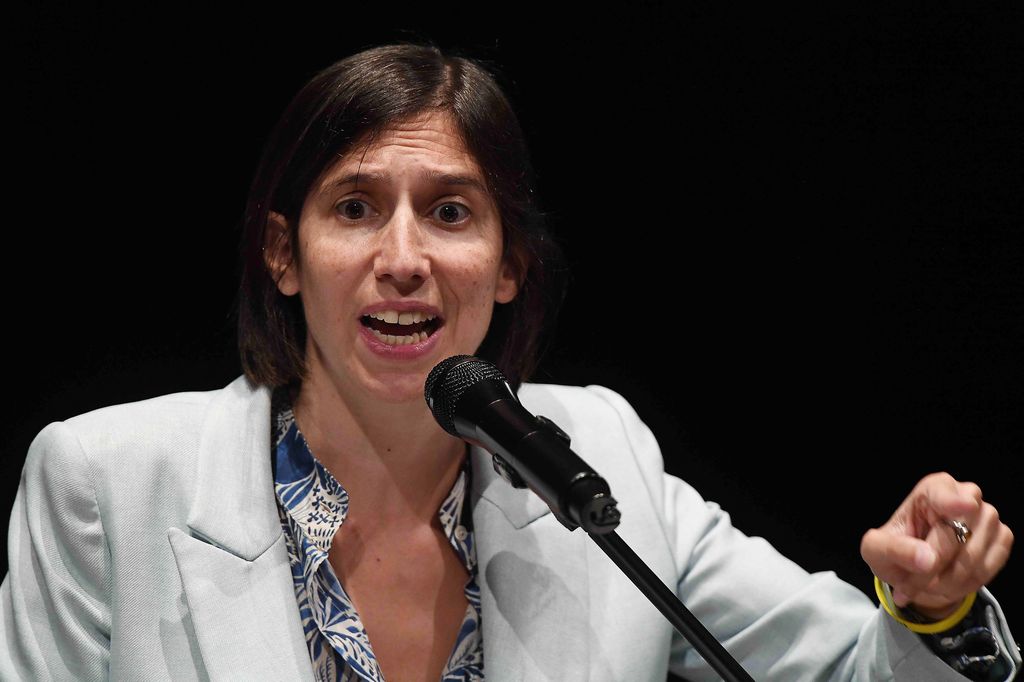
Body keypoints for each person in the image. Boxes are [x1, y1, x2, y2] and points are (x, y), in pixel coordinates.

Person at [0, 42, 1017, 681]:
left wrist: (932, 604)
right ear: (283, 254)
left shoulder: (599, 452)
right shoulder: (104, 480)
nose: (404, 259)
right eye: (354, 208)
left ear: (508, 266)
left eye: (450, 212)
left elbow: (853, 667)